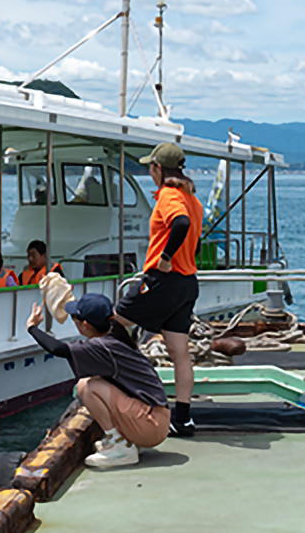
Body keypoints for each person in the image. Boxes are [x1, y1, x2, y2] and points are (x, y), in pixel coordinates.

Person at [113, 141, 203, 437]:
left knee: (112, 323)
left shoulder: (168, 195)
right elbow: (193, 236)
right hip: (187, 283)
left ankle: (122, 394)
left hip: (163, 280)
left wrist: (165, 258)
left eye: (150, 167)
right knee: (179, 352)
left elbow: (180, 224)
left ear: (157, 169)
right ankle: (184, 419)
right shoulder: (194, 198)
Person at [29, 293, 169, 468]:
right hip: (156, 420)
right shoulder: (117, 336)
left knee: (87, 386)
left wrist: (32, 327)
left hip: (151, 424)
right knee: (94, 380)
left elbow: (58, 349)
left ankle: (119, 446)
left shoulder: (103, 346)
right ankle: (124, 441)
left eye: (76, 320)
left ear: (85, 325)